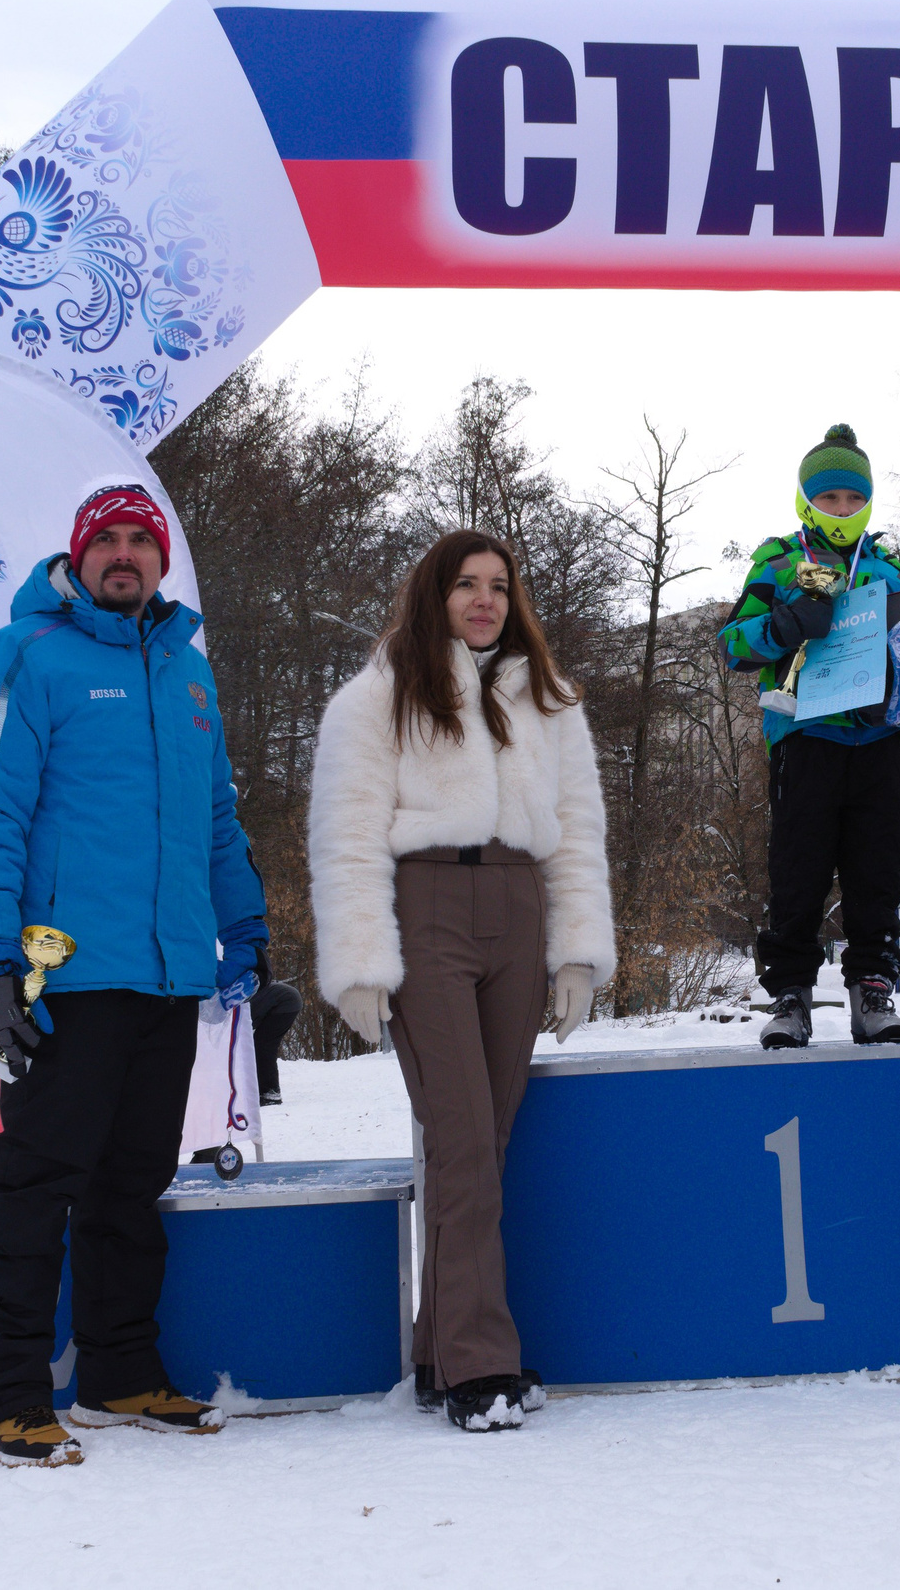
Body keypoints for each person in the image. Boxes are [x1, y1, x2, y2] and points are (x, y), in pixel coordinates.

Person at [0, 481, 270, 1468]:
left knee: (132, 1183)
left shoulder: (188, 675)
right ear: (78, 556)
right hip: (66, 976)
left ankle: (122, 1371)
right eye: (107, 541)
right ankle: (7, 1391)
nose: (124, 555)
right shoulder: (23, 658)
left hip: (168, 975)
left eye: (141, 540)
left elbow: (215, 819)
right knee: (39, 1180)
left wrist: (243, 926)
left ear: (162, 560)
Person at [309, 528, 613, 1432]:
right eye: (466, 585)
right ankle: (483, 1363)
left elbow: (580, 829)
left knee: (482, 1146)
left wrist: (575, 950)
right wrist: (362, 960)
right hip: (427, 907)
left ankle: (440, 1353)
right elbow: (348, 834)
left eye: (499, 586)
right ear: (434, 595)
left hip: (518, 907)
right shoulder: (376, 701)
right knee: (464, 1142)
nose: (484, 600)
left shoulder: (549, 702)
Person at [715, 425, 900, 1048]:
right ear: (806, 500)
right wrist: (786, 621)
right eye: (830, 499)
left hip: (880, 737)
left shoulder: (887, 567)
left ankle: (873, 987)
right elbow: (733, 647)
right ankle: (792, 995)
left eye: (854, 499)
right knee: (798, 868)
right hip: (806, 737)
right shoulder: (778, 561)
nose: (843, 510)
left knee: (876, 870)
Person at [249, 978, 300, 1105]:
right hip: (285, 999)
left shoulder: (240, 1003)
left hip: (287, 1002)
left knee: (264, 1045)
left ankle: (271, 1093)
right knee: (260, 1044)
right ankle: (264, 1090)